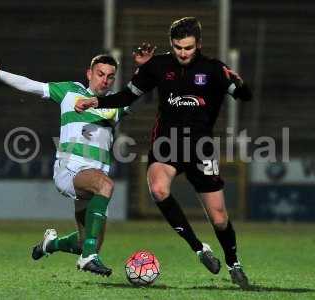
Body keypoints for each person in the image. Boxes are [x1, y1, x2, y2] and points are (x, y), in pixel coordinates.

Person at [74, 17, 252, 288]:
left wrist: (240, 85)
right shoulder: (157, 66)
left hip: (201, 148)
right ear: (171, 44)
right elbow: (127, 96)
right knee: (158, 189)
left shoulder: (214, 69)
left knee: (219, 218)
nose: (183, 53)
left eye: (189, 48)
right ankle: (198, 248)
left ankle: (233, 262)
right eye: (178, 47)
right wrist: (97, 101)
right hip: (166, 145)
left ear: (199, 44)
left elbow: (244, 96)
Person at [0, 50, 152, 276]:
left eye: (110, 76)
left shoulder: (113, 105)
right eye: (100, 74)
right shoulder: (71, 92)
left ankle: (50, 244)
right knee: (106, 186)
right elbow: (33, 86)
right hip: (71, 171)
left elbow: (144, 98)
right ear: (89, 74)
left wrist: (146, 71)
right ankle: (88, 258)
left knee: (86, 241)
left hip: (93, 177)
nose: (105, 80)